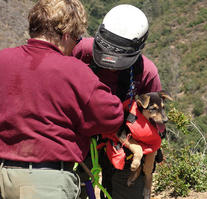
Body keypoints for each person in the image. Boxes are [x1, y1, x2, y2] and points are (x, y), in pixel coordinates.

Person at [0, 0, 124, 199]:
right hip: (44, 183)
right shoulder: (74, 71)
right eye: (77, 38)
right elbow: (112, 116)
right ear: (66, 35)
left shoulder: (3, 60)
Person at [72, 4, 164, 199]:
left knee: (126, 191)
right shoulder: (81, 52)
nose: (111, 66)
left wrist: (150, 156)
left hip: (125, 142)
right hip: (80, 135)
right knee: (72, 187)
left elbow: (156, 123)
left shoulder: (145, 72)